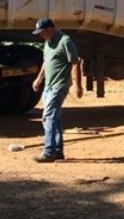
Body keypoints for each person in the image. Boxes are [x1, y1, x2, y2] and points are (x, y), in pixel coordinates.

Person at [31, 18, 83, 162]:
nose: (41, 36)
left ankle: (48, 151)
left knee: (48, 117)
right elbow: (46, 62)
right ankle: (58, 151)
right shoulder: (48, 42)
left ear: (50, 29)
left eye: (42, 32)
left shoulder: (65, 41)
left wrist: (78, 86)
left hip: (59, 85)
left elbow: (75, 62)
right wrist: (39, 79)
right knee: (55, 118)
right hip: (48, 86)